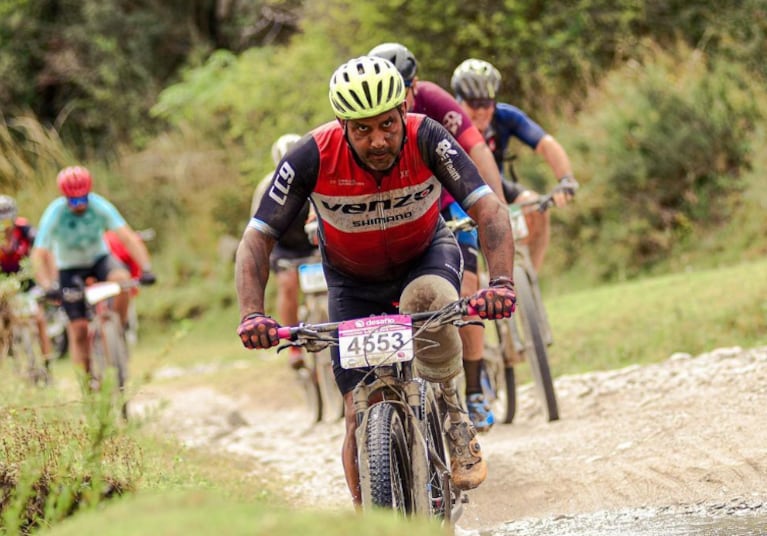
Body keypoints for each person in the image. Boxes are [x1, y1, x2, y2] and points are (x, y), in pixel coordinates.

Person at [235, 55, 516, 504]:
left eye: (386, 124)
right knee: (356, 415)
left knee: (431, 297)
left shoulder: (428, 137)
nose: (377, 139)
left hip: (425, 256)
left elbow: (488, 209)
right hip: (352, 284)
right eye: (361, 129)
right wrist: (252, 313)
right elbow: (256, 238)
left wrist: (500, 282)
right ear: (342, 123)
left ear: (404, 110)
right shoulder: (311, 154)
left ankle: (453, 413)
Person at [368, 42, 506, 432]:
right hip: (388, 218)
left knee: (468, 284)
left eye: (406, 88)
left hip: (444, 206)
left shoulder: (434, 102)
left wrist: (494, 213)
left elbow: (478, 151)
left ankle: (475, 387)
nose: (402, 99)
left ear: (414, 87)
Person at [30, 166, 156, 385]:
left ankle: (118, 327)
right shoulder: (55, 213)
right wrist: (47, 284)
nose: (79, 205)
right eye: (74, 201)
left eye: (83, 200)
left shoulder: (99, 205)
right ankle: (86, 385)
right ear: (65, 198)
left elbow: (127, 237)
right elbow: (39, 253)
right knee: (77, 329)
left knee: (122, 280)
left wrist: (145, 268)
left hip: (99, 259)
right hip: (69, 268)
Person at [451, 58, 578, 272]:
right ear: (459, 101)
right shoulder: (447, 123)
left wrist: (566, 179)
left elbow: (546, 144)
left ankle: (528, 276)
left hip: (495, 188)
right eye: (474, 104)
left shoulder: (505, 117)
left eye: (487, 103)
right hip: (456, 197)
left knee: (536, 206)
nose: (481, 111)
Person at [250, 133, 316, 370]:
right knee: (287, 285)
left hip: (313, 243)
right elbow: (256, 230)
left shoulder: (318, 176)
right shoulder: (265, 187)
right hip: (284, 246)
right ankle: (294, 347)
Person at [0, 195, 53, 359]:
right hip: (4, 283)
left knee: (39, 319)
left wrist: (48, 280)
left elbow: (41, 247)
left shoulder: (24, 229)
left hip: (26, 279)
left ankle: (47, 361)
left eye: (7, 219)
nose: (5, 225)